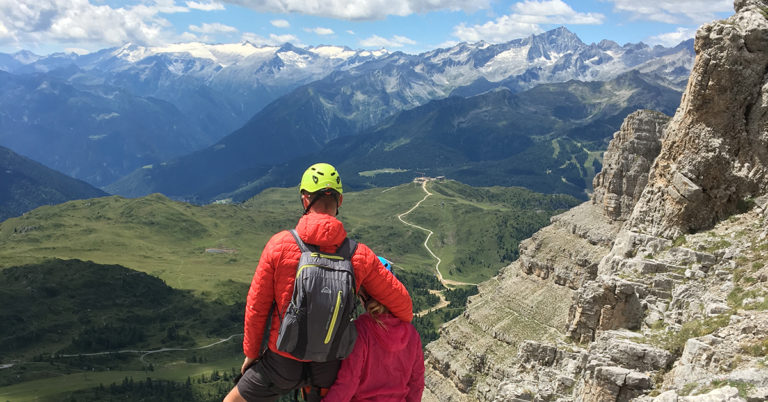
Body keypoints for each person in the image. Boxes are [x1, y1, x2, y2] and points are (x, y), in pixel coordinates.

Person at [224, 163, 413, 402]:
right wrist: (374, 309)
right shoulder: (360, 255)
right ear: (340, 201)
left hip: (282, 362)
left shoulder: (280, 245)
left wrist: (251, 355)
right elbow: (405, 308)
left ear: (305, 199)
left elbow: (257, 308)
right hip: (330, 365)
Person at [323, 256, 425, 402]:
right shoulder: (412, 334)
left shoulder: (359, 331)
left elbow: (348, 384)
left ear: (363, 295)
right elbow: (416, 384)